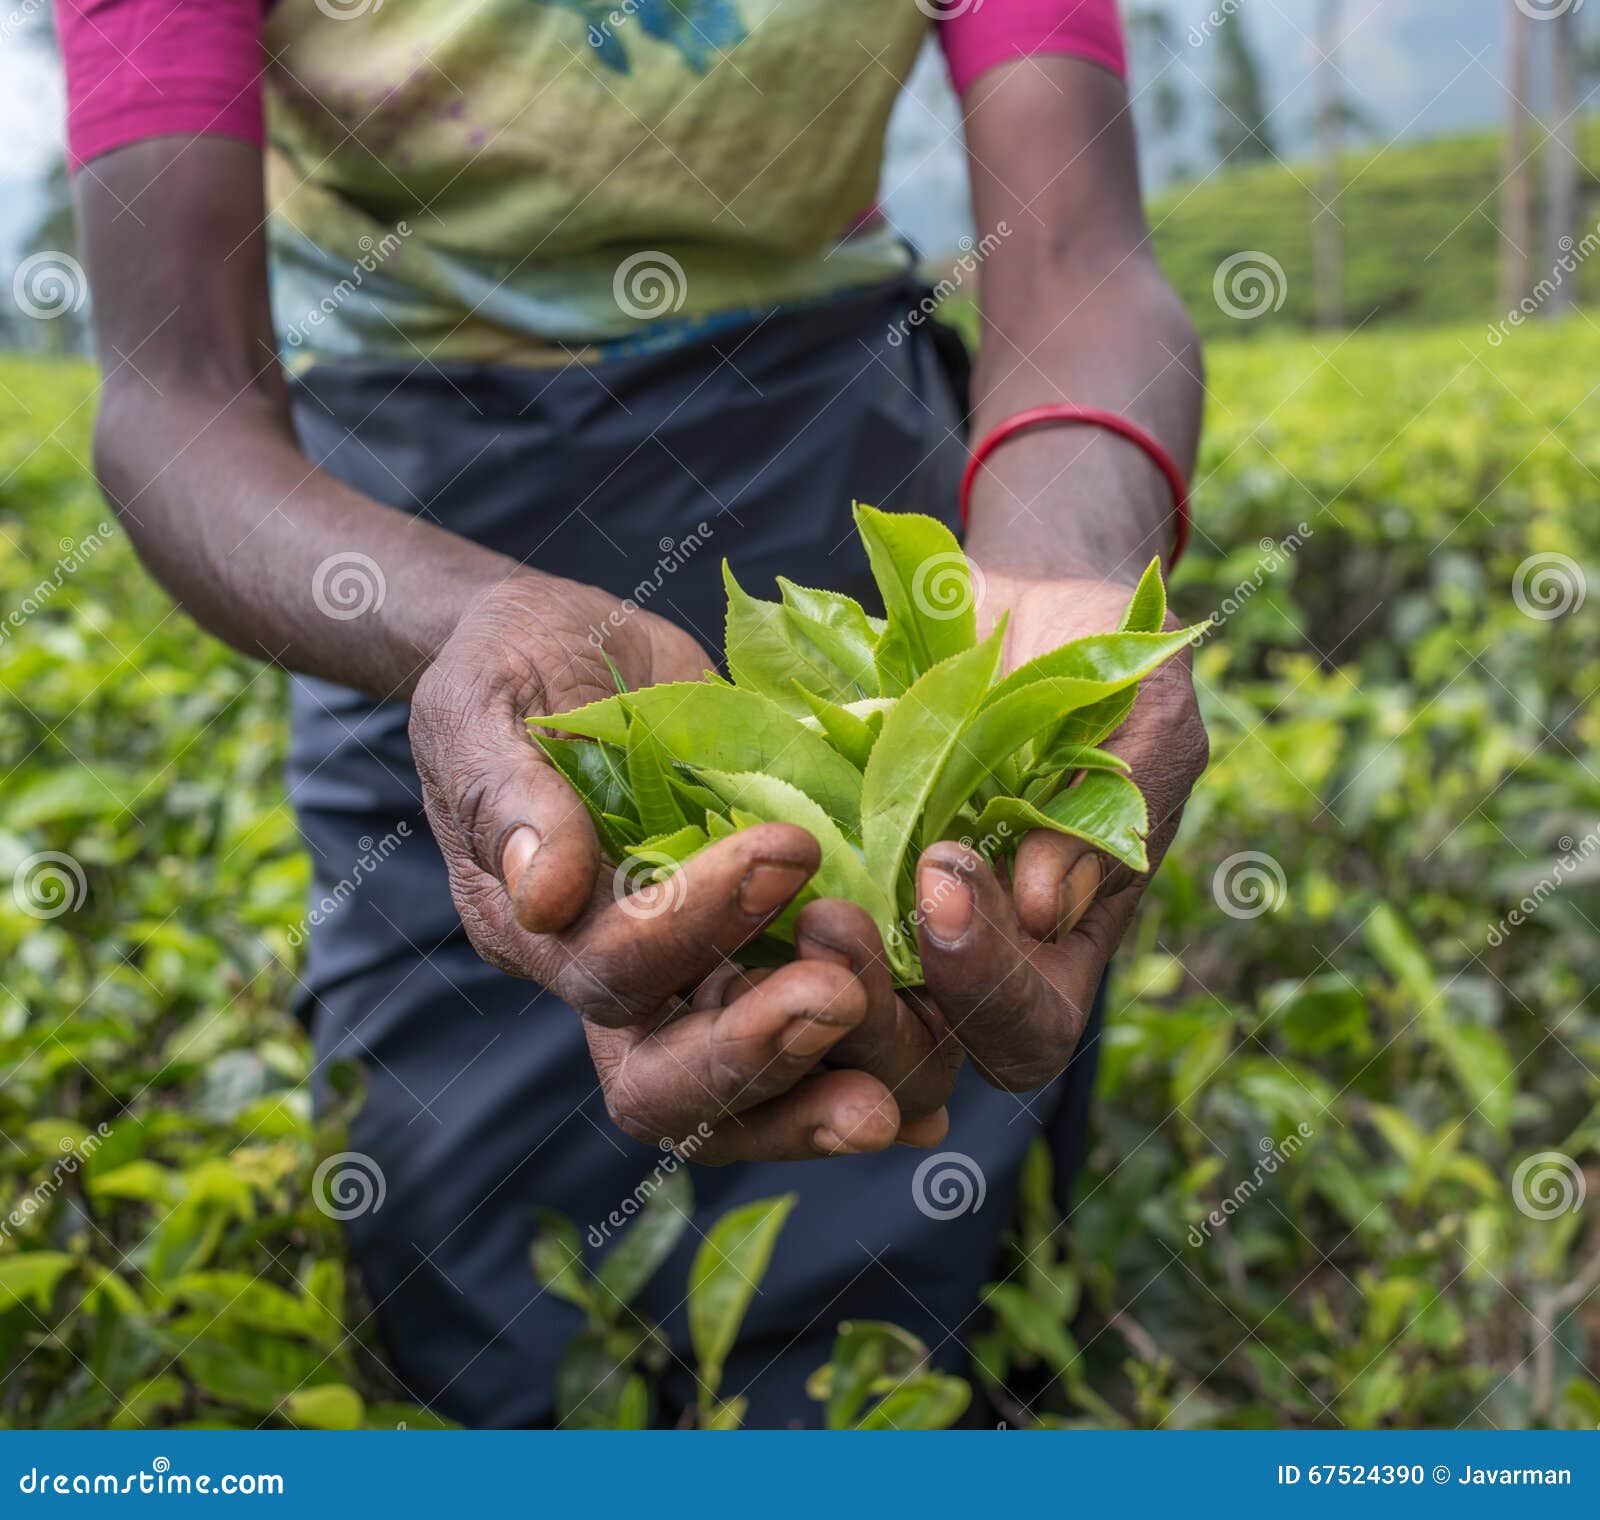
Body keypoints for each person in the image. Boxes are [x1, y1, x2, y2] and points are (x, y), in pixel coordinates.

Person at [60, 0, 1207, 1427]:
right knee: (474, 1270)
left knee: (903, 1276)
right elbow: (175, 390)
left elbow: (1083, 265)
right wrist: (457, 635)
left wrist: (1061, 584)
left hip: (837, 474)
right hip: (403, 543)